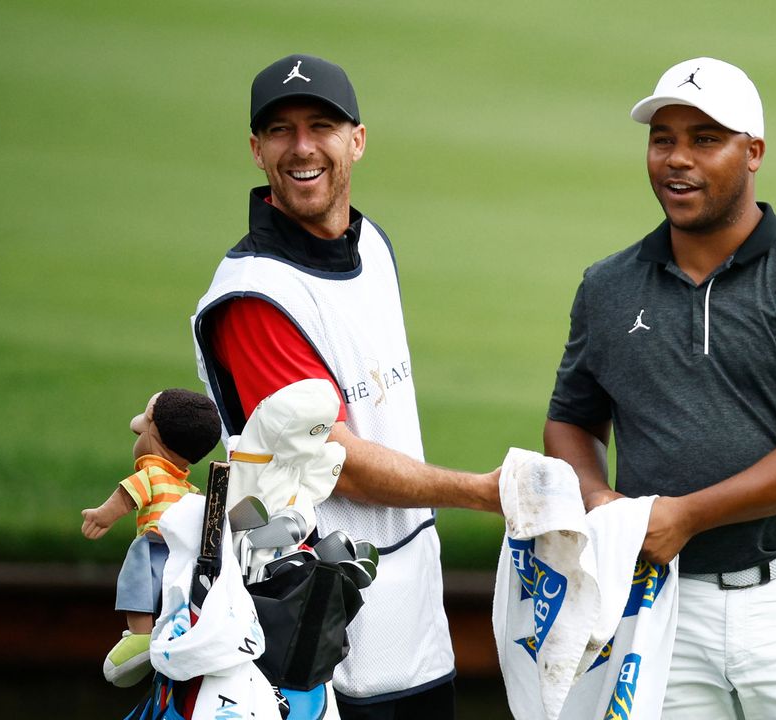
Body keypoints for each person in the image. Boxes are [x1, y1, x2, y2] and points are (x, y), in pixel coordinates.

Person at [543, 57, 776, 719]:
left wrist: (688, 515)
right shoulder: (607, 286)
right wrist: (603, 502)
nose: (677, 159)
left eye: (705, 139)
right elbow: (571, 421)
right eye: (662, 138)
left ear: (753, 153)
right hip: (659, 604)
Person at [190, 53, 501, 719]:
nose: (302, 147)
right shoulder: (254, 297)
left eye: (321, 125)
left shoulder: (374, 247)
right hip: (317, 650)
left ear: (356, 140)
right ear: (256, 149)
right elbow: (340, 464)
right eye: (280, 130)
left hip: (414, 623)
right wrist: (480, 492)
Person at [80, 388, 222, 688]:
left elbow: (127, 495)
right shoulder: (188, 488)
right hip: (181, 553)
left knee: (137, 578)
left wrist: (101, 516)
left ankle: (141, 635)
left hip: (154, 544)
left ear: (153, 436)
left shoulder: (152, 472)